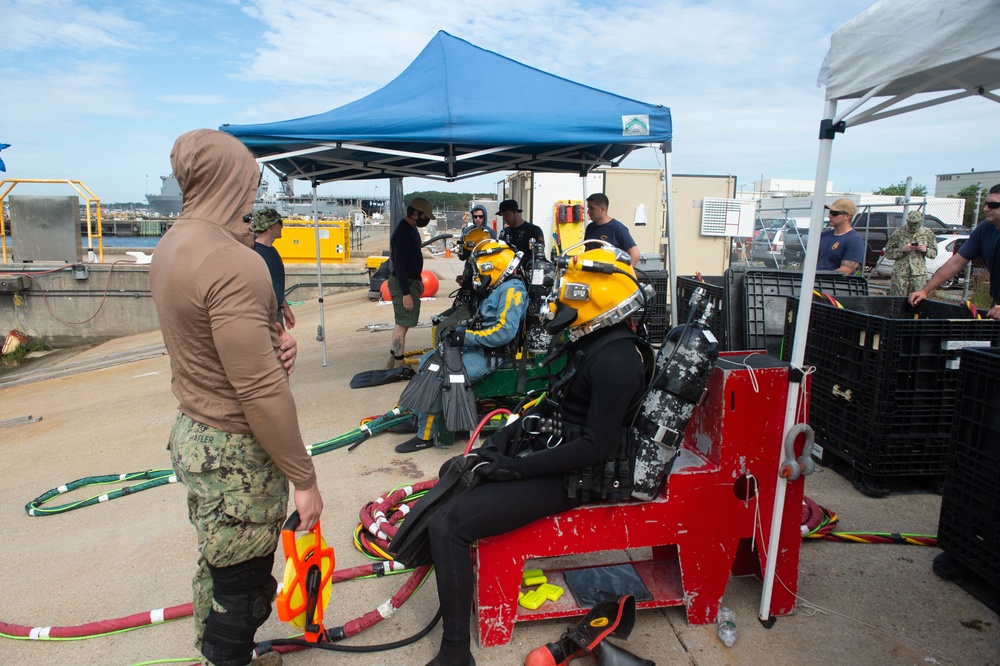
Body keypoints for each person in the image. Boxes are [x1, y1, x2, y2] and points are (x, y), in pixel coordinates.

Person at [415, 244, 649, 666]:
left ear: (597, 292)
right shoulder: (594, 341)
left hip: (574, 476)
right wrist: (513, 433)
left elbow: (594, 447)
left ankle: (455, 654)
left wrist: (517, 469)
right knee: (457, 474)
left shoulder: (618, 359)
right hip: (553, 456)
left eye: (572, 286)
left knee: (449, 527)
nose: (561, 294)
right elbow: (558, 403)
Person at [149, 129, 322, 666]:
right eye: (250, 178)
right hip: (234, 450)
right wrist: (305, 479)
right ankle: (226, 656)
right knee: (243, 590)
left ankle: (215, 653)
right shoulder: (232, 261)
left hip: (193, 433)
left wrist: (276, 343)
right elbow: (260, 392)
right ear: (234, 179)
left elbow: (214, 343)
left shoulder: (171, 246)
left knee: (218, 564)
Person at [395, 239, 529, 453]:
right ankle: (419, 418)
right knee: (427, 361)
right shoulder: (497, 287)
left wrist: (466, 337)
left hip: (491, 354)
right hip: (478, 347)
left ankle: (425, 435)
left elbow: (505, 332)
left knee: (441, 374)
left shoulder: (513, 291)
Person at [910, 183, 1000, 320]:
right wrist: (924, 291)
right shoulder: (985, 229)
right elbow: (956, 262)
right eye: (985, 203)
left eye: (993, 205)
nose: (986, 208)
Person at [386, 197, 434, 369]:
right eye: (424, 215)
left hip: (411, 280)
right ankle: (399, 363)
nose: (426, 219)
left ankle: (393, 360)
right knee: (402, 323)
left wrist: (418, 279)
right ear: (415, 213)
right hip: (403, 283)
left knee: (404, 323)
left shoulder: (411, 229)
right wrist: (406, 293)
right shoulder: (403, 233)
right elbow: (398, 265)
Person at [251, 208, 296, 328]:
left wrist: (285, 308)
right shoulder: (254, 254)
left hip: (275, 313)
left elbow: (274, 285)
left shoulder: (272, 251)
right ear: (270, 226)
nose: (282, 227)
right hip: (263, 316)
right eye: (280, 223)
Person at [883, 209, 938, 296]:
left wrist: (925, 250)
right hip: (900, 274)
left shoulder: (927, 233)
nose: (913, 227)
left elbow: (934, 253)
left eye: (915, 224)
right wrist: (903, 250)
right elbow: (888, 253)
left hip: (918, 275)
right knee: (898, 301)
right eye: (911, 223)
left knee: (917, 303)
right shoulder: (898, 233)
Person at [583, 193, 640, 266]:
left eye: (592, 208)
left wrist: (625, 275)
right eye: (588, 208)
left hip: (611, 275)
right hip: (593, 276)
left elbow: (635, 254)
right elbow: (587, 252)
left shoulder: (617, 228)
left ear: (602, 209)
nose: (588, 212)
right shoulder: (590, 228)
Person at [817, 197, 865, 275]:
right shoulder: (823, 236)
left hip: (835, 285)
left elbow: (845, 270)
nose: (830, 216)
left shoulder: (854, 240)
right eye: (830, 212)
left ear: (847, 216)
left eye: (834, 213)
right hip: (814, 284)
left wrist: (819, 278)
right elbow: (808, 261)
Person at [497, 199, 545, 264]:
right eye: (502, 215)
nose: (504, 218)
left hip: (529, 270)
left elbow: (540, 253)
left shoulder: (534, 230)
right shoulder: (505, 232)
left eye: (506, 214)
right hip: (510, 270)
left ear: (515, 212)